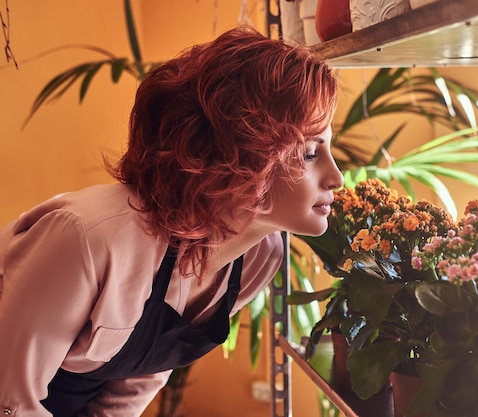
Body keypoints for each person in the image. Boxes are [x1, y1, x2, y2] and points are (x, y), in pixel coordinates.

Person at [0, 26, 343, 417]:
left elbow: (147, 369)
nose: (337, 177)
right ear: (241, 154)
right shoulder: (89, 239)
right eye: (311, 153)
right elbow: (10, 401)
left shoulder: (260, 256)